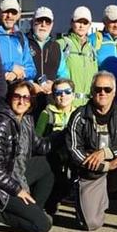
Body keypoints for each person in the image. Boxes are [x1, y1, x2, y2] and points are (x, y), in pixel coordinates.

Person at [66, 71, 117, 232]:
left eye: (107, 89)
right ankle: (94, 200)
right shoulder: (79, 116)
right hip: (91, 172)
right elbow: (74, 151)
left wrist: (106, 153)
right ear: (92, 91)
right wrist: (104, 166)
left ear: (114, 92)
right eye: (98, 89)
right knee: (91, 224)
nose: (102, 93)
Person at [0, 81, 54, 232]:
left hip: (16, 173)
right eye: (17, 96)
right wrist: (18, 190)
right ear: (10, 97)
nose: (21, 101)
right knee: (43, 225)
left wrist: (63, 135)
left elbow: (40, 146)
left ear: (31, 102)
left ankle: (34, 208)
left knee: (47, 164)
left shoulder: (26, 120)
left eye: (26, 98)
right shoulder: (1, 122)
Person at [34, 78, 87, 213]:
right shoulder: (47, 114)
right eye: (58, 93)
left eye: (67, 92)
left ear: (73, 94)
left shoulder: (80, 114)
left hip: (73, 155)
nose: (63, 95)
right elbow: (37, 138)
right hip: (52, 154)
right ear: (53, 96)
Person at [27, 6, 69, 115]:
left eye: (47, 21)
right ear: (33, 22)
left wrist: (54, 85)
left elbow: (64, 75)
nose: (43, 24)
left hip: (51, 103)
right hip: (27, 101)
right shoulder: (23, 43)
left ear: (52, 25)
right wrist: (31, 85)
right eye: (40, 20)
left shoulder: (56, 47)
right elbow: (20, 71)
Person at [0, 0, 36, 85]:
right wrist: (10, 67)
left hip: (17, 90)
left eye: (13, 12)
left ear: (18, 15)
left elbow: (31, 69)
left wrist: (18, 74)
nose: (9, 16)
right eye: (6, 12)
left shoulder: (21, 38)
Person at [56, 6, 98, 98]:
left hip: (88, 104)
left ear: (89, 25)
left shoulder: (92, 49)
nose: (81, 26)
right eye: (78, 21)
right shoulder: (61, 44)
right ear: (71, 23)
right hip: (68, 102)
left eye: (85, 22)